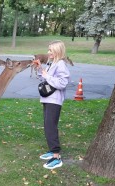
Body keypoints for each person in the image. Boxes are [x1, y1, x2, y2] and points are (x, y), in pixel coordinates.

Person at [34, 40, 70, 169]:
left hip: (54, 100)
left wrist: (47, 76)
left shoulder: (60, 64)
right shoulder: (52, 63)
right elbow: (44, 78)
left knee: (51, 127)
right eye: (48, 49)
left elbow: (62, 83)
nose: (48, 52)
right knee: (47, 125)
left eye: (50, 50)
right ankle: (52, 151)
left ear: (57, 51)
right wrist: (40, 69)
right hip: (48, 99)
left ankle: (56, 157)